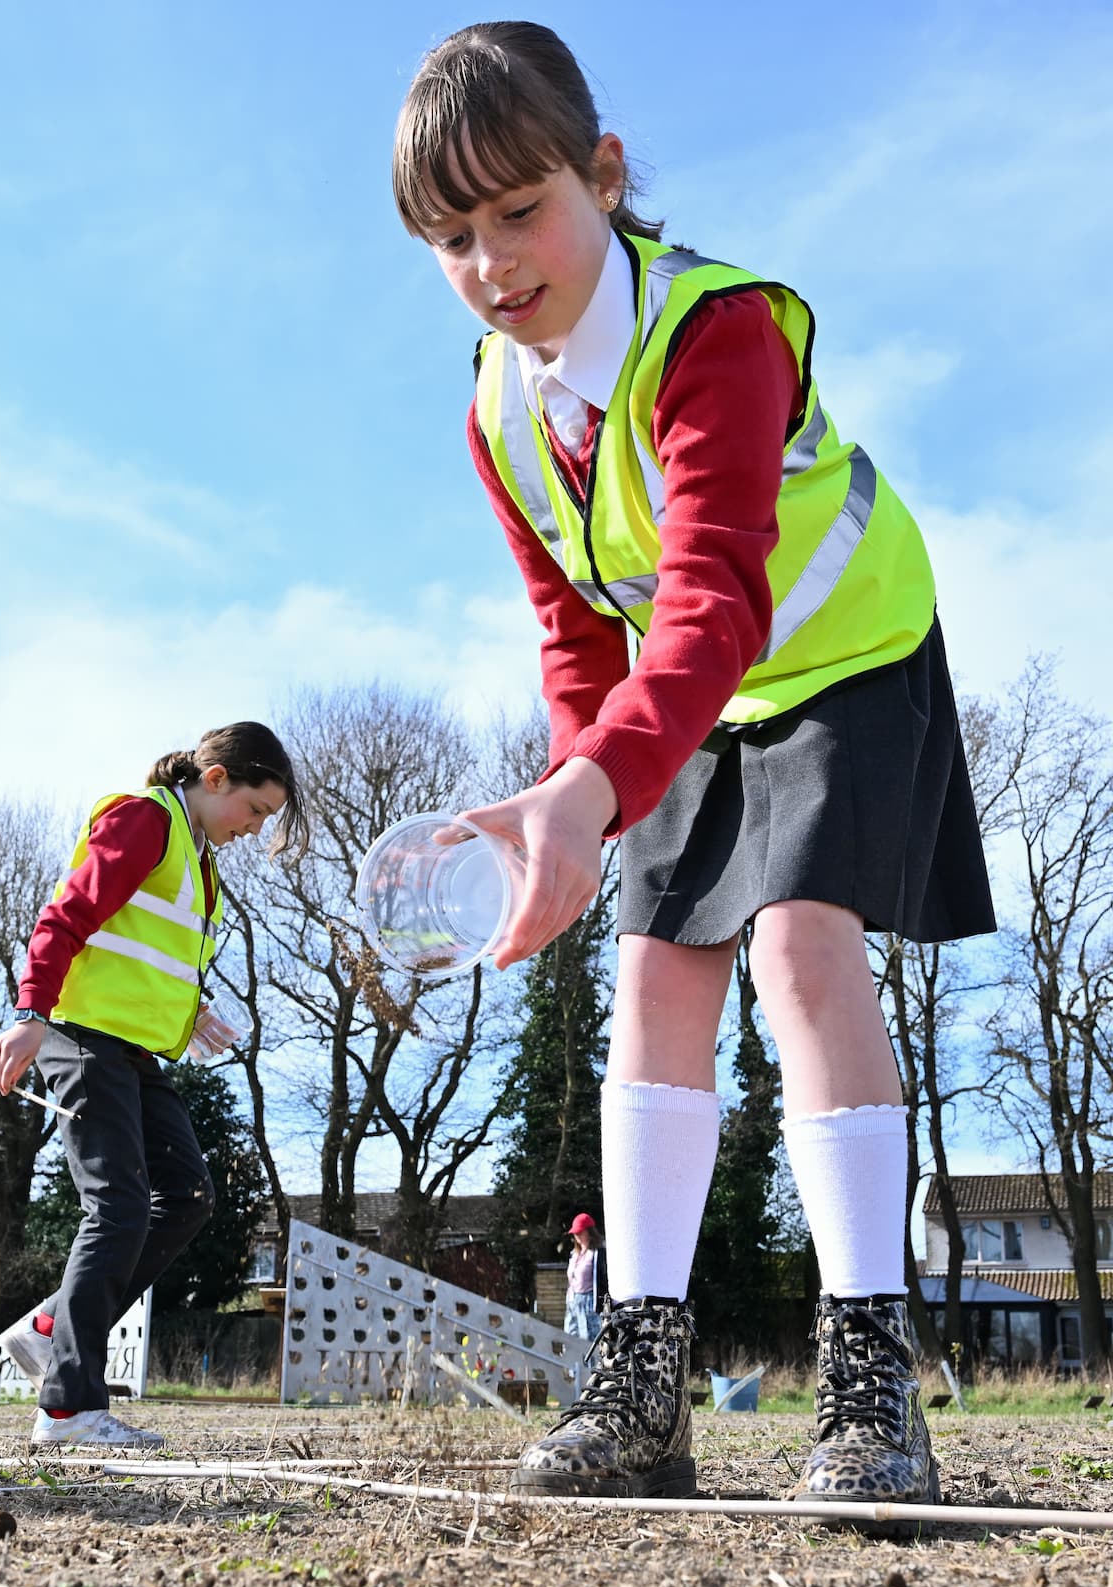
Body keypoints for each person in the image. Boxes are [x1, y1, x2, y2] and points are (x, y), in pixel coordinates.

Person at [393, 23, 995, 1501]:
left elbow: (716, 588)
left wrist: (594, 786)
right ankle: (640, 1390)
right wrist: (567, 812)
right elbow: (577, 637)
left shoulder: (717, 331)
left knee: (796, 947)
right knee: (656, 973)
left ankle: (869, 1395)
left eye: (520, 209)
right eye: (451, 235)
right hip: (688, 701)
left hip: (839, 652)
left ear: (603, 176)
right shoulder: (496, 406)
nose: (492, 262)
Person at [0, 722, 308, 1451]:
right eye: (256, 812)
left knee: (188, 1195)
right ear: (217, 779)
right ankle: (67, 1410)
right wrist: (30, 1013)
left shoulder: (200, 860)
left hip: (132, 1051)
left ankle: (51, 1327)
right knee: (119, 1206)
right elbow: (67, 917)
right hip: (78, 1037)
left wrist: (191, 1012)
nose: (254, 831)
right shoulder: (144, 819)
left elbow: (142, 951)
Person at [563, 1213, 604, 1341]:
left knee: (588, 1341)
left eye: (580, 1232)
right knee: (570, 1337)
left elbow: (602, 1279)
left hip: (589, 1302)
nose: (577, 1236)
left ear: (590, 1232)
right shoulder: (574, 1254)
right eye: (575, 1233)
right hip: (573, 1301)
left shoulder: (597, 1253)